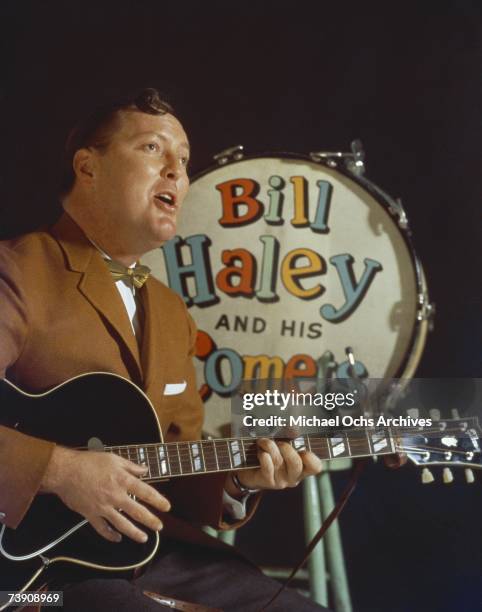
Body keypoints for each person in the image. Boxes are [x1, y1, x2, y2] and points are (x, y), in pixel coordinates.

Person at [0, 88, 326, 611]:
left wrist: (241, 478)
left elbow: (172, 469)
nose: (177, 171)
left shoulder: (172, 312)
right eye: (154, 149)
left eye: (186, 160)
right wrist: (61, 470)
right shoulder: (17, 271)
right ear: (88, 167)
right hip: (31, 575)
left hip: (149, 552)